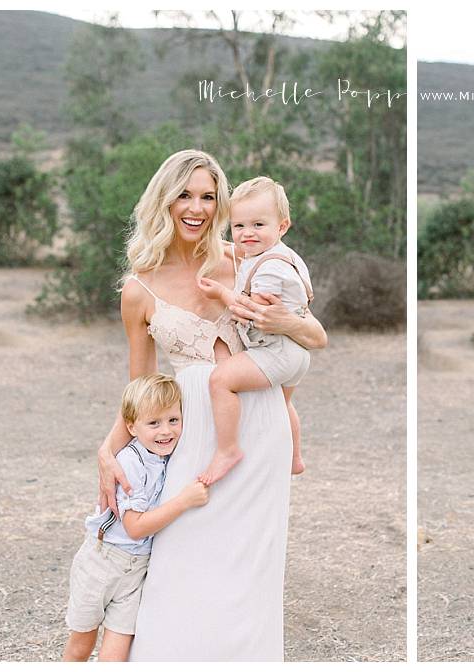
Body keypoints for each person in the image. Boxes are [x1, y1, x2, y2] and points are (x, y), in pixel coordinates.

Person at [95, 149, 327, 661]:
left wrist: (281, 323)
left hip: (259, 427)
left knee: (249, 571)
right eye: (184, 194)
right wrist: (108, 451)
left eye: (207, 195)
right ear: (165, 200)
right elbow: (141, 390)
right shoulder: (138, 289)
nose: (196, 207)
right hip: (191, 431)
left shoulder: (247, 258)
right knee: (178, 562)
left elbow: (315, 335)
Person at [63, 374, 210, 662]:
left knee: (116, 655)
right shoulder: (131, 461)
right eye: (153, 423)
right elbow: (134, 527)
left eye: (173, 420)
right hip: (103, 561)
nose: (165, 431)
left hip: (136, 570)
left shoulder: (171, 456)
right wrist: (184, 501)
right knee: (82, 644)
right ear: (131, 426)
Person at [197, 176, 313, 484]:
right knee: (283, 403)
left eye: (258, 225)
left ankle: (228, 449)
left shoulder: (271, 268)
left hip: (276, 350)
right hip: (297, 353)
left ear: (282, 226)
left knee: (221, 380)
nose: (247, 234)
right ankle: (295, 458)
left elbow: (253, 312)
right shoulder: (285, 257)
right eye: (239, 227)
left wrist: (222, 295)